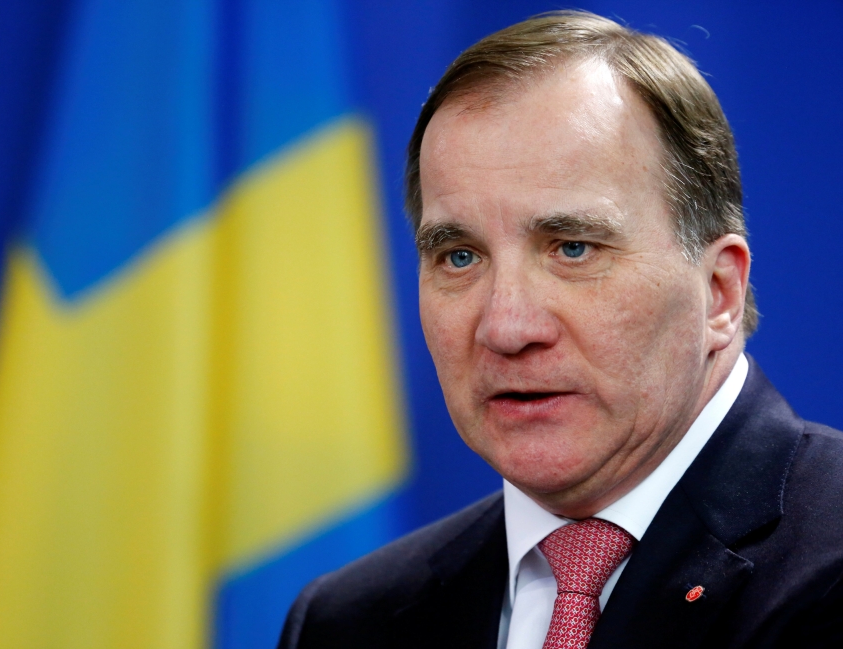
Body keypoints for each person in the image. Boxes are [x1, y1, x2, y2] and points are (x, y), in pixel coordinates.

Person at [278, 11, 843, 649]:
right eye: (459, 257)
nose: (506, 326)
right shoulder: (347, 622)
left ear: (718, 293)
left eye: (572, 248)